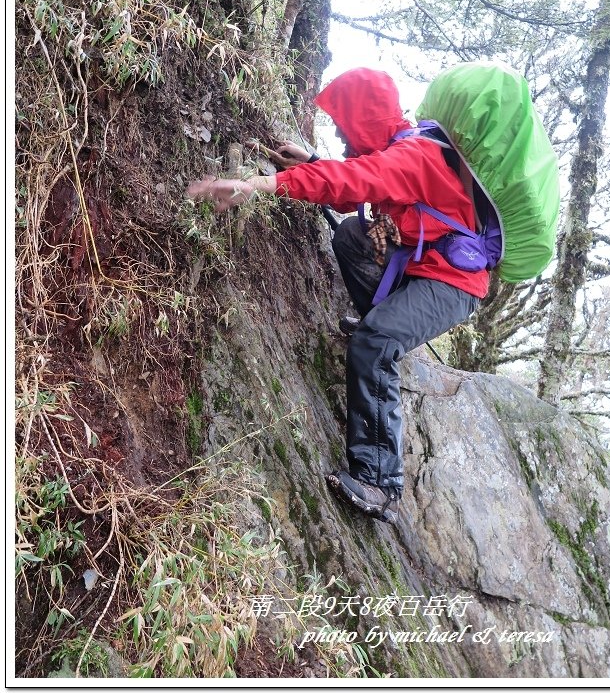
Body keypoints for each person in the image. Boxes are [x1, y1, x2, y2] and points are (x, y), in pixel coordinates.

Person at [186, 68, 489, 524]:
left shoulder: (414, 156)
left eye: (346, 129)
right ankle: (382, 325)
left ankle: (380, 482)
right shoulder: (398, 147)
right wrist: (308, 160)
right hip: (419, 269)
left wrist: (257, 185)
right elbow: (356, 193)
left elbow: (354, 180)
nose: (344, 138)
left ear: (365, 121)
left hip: (452, 285)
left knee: (374, 342)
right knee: (351, 235)